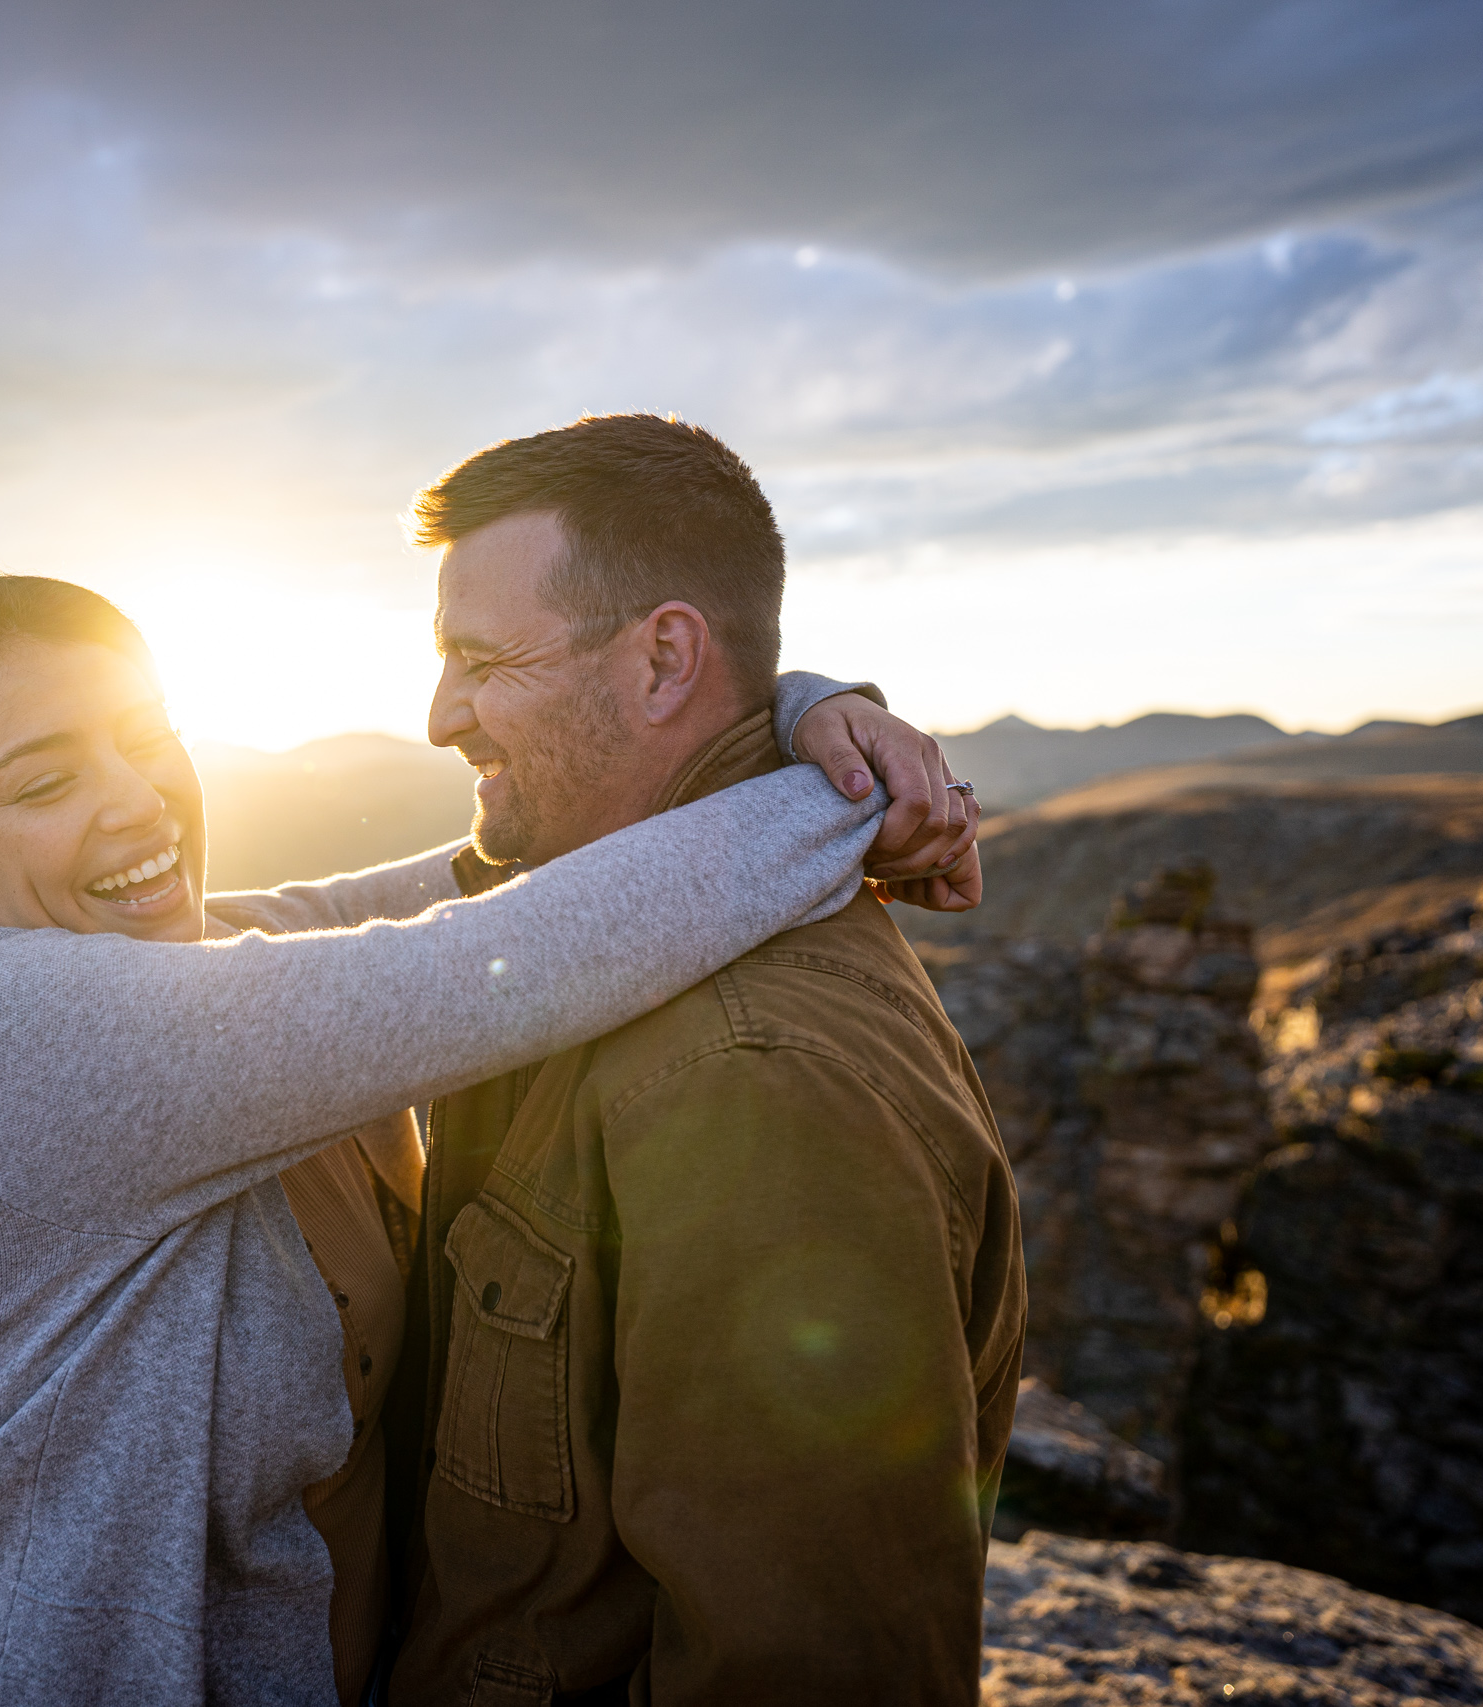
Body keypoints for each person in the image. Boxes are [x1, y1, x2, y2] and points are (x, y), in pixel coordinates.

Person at [0, 572, 971, 1705]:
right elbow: (510, 958)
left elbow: (489, 876)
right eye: (43, 783)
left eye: (145, 734)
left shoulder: (192, 963)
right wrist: (850, 805)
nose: (136, 799)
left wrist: (806, 712)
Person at [382, 415, 1027, 1707]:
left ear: (666, 656)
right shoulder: (582, 925)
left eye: (478, 661)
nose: (440, 712)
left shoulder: (754, 1082)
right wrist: (810, 709)